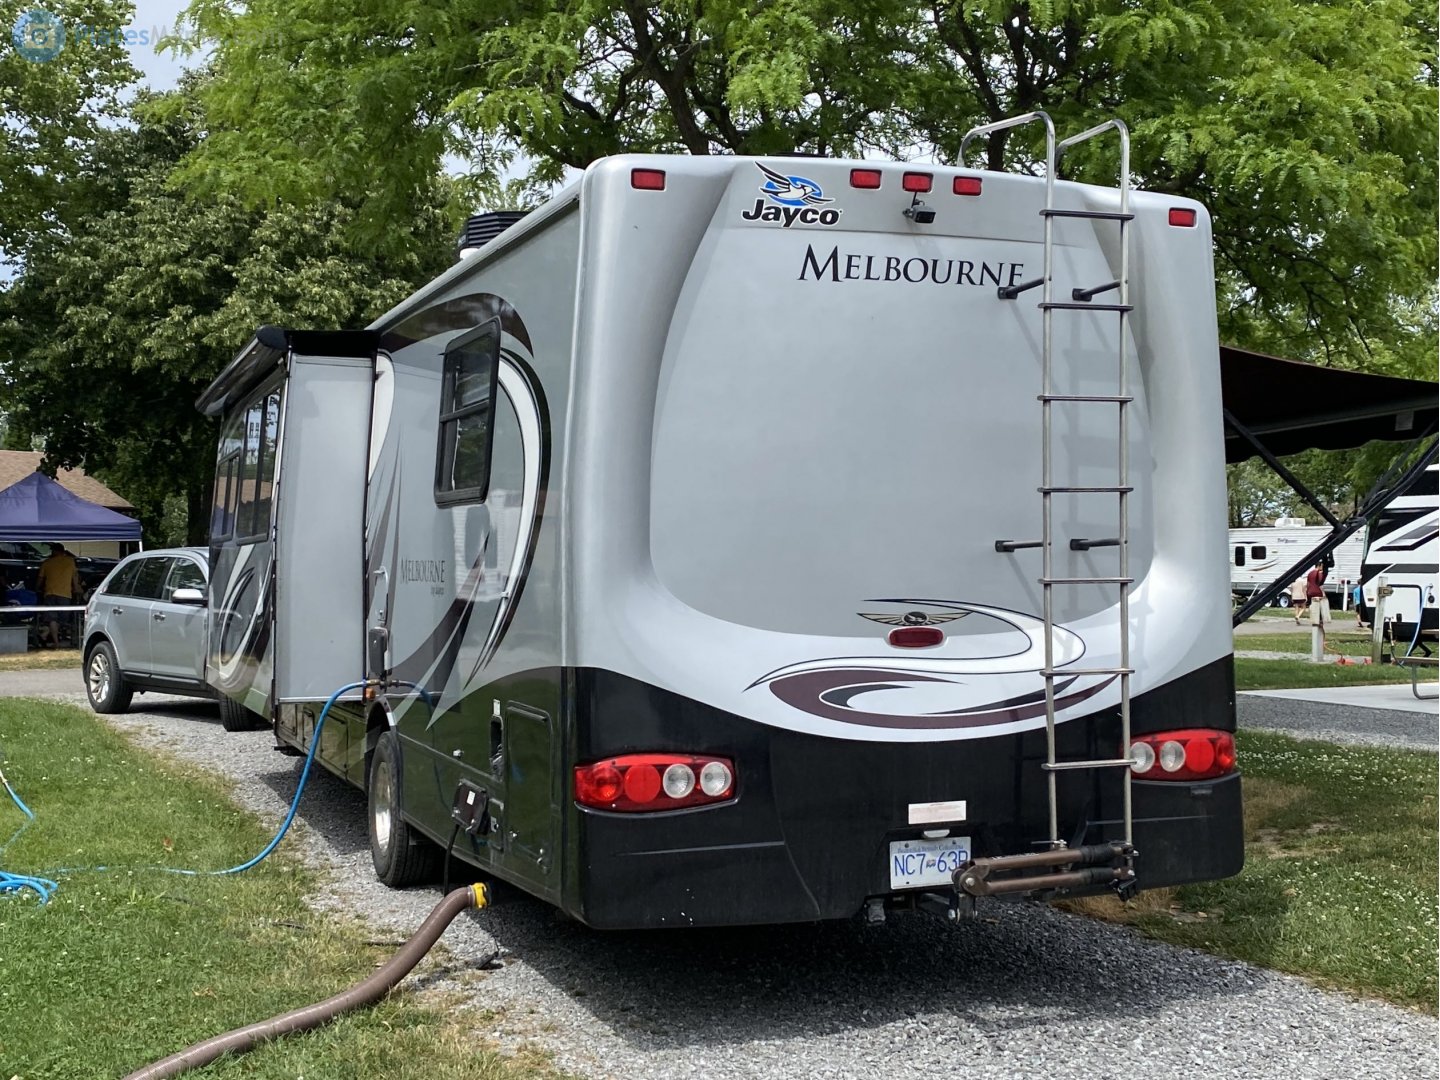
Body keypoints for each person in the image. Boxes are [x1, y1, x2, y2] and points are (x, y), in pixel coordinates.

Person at [35, 542, 82, 648]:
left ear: (55, 551)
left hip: (50, 593)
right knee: (62, 619)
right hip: (65, 594)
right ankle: (52, 640)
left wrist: (37, 589)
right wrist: (77, 589)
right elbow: (74, 577)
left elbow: (40, 579)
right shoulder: (70, 561)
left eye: (52, 550)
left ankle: (49, 637)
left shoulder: (47, 563)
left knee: (52, 619)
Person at [1302, 560, 1330, 627]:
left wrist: (1307, 593)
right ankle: (1320, 620)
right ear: (1319, 566)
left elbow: (1308, 584)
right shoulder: (1319, 573)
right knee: (1320, 606)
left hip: (1310, 592)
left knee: (1313, 605)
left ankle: (1314, 618)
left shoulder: (1310, 573)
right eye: (1322, 566)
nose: (1322, 568)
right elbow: (1320, 583)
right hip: (1317, 591)